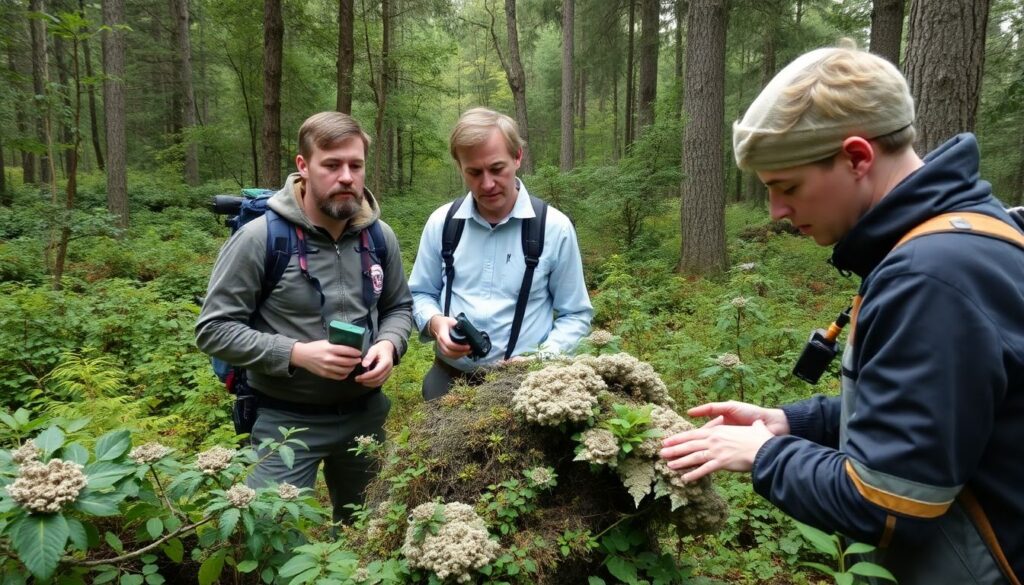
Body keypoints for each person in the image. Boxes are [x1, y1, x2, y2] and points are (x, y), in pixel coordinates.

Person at [659, 45, 1024, 584]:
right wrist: (792, 422)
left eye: (788, 187)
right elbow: (939, 412)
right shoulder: (964, 234)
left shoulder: (930, 276)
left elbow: (890, 505)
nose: (778, 212)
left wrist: (766, 453)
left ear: (857, 156)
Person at [196, 112, 413, 522]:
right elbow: (213, 330)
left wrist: (389, 344)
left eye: (355, 165)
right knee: (271, 536)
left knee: (368, 533)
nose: (346, 176)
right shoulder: (261, 238)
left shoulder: (380, 237)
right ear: (303, 167)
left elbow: (399, 307)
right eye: (331, 165)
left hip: (365, 416)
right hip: (284, 421)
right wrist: (296, 353)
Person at [409, 107, 593, 400]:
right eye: (474, 172)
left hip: (527, 388)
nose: (487, 184)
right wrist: (435, 323)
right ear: (460, 167)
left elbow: (576, 314)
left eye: (497, 169)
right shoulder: (442, 223)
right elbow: (419, 293)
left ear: (517, 157)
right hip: (448, 382)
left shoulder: (554, 228)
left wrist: (543, 358)